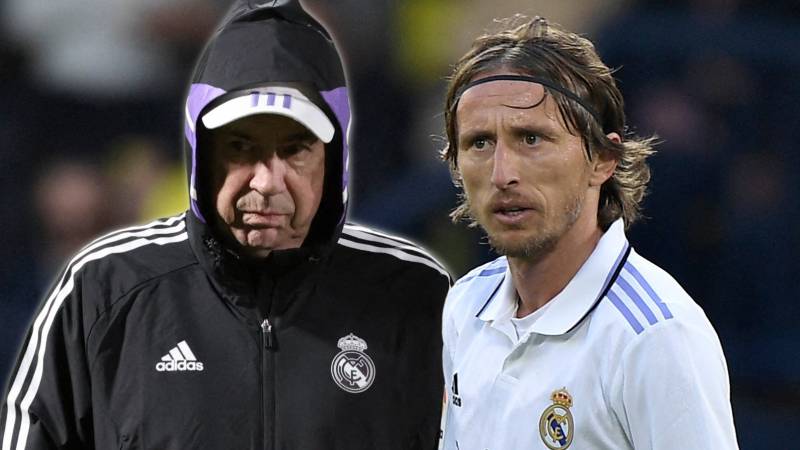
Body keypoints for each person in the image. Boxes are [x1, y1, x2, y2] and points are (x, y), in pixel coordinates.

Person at [1, 1, 450, 449]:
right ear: (199, 153)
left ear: (336, 162)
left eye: (295, 149)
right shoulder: (104, 290)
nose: (267, 182)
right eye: (239, 147)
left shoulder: (418, 294)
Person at [439, 16, 738, 449]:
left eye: (531, 139)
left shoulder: (655, 336)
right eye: (480, 143)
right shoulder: (462, 307)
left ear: (603, 160)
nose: (502, 174)